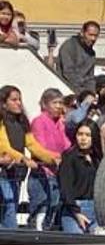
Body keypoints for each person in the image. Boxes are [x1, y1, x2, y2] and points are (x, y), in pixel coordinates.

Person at [0, 85, 62, 228]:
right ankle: (11, 243)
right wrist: (23, 159)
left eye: (20, 99)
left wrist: (53, 158)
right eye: (14, 100)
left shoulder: (22, 122)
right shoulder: (2, 122)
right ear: (4, 103)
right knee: (9, 210)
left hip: (16, 174)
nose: (19, 103)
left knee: (10, 208)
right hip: (4, 172)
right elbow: (3, 145)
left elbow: (33, 145)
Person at [28, 88, 70, 230]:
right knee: (41, 208)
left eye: (61, 103)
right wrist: (55, 158)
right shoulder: (39, 121)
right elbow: (40, 146)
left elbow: (66, 145)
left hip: (57, 173)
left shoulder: (60, 124)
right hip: (42, 173)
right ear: (45, 104)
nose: (59, 106)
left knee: (52, 209)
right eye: (55, 102)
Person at [59, 121, 101, 234]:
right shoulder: (69, 157)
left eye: (87, 135)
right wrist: (77, 213)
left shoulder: (97, 158)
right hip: (74, 210)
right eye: (80, 134)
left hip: (95, 209)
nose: (83, 139)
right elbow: (65, 188)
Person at [58, 21, 101, 92]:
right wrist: (82, 91)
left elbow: (90, 77)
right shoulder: (69, 46)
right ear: (82, 33)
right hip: (67, 90)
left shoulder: (91, 53)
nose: (93, 39)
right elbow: (68, 73)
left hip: (84, 93)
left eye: (96, 36)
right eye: (90, 35)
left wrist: (91, 93)